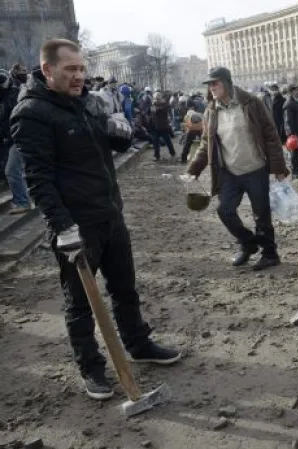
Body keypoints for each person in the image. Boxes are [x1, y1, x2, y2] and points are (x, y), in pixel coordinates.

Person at [10, 39, 181, 400]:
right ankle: (92, 368)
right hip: (76, 225)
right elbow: (37, 179)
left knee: (125, 288)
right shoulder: (32, 113)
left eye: (82, 68)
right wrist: (62, 227)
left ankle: (138, 344)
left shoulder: (87, 103)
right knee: (81, 302)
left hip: (109, 213)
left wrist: (121, 132)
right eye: (70, 69)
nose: (79, 76)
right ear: (47, 70)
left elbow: (112, 146)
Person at [185, 67, 289, 270]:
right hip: (229, 172)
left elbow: (270, 135)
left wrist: (278, 168)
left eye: (215, 83)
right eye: (209, 84)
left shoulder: (251, 103)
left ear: (227, 82)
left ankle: (270, 254)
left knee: (262, 214)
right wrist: (193, 170)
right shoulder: (211, 111)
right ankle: (248, 243)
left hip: (255, 168)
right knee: (224, 210)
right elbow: (207, 144)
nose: (212, 87)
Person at [1, 69, 31, 214]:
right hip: (11, 137)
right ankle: (22, 199)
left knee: (12, 171)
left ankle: (22, 201)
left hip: (18, 137)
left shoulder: (15, 94)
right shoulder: (6, 95)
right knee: (16, 170)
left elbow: (15, 117)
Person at [283, 84, 298, 178]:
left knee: (297, 152)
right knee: (294, 151)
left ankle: (296, 169)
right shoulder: (289, 103)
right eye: (296, 90)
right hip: (293, 133)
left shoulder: (297, 101)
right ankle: (294, 171)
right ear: (291, 92)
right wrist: (292, 134)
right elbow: (287, 120)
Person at [151, 91, 176, 161]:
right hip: (155, 126)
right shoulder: (154, 105)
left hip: (163, 127)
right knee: (155, 142)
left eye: (158, 98)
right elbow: (152, 112)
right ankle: (157, 156)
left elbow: (160, 110)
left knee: (168, 141)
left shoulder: (165, 104)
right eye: (156, 98)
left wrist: (156, 105)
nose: (157, 100)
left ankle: (173, 153)